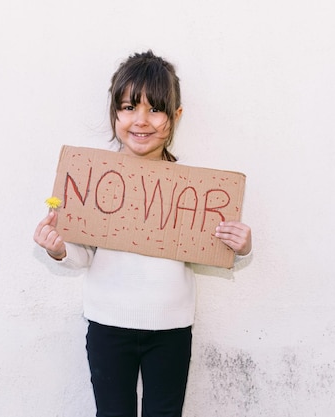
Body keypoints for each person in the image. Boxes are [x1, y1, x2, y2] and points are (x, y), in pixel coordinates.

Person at [33, 50, 252, 417]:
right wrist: (59, 249)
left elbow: (212, 246)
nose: (141, 121)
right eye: (129, 107)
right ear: (114, 113)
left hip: (171, 328)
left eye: (155, 109)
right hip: (107, 325)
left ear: (176, 116)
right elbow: (84, 252)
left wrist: (241, 246)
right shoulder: (94, 181)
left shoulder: (191, 191)